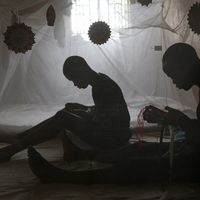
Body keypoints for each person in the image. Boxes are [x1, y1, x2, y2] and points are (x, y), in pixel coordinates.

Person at [27, 43, 200, 185]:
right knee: (139, 149)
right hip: (188, 145)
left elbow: (108, 118)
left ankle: (63, 177)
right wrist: (169, 119)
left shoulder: (103, 84)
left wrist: (183, 122)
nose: (173, 81)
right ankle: (83, 154)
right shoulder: (99, 84)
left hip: (122, 137)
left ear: (186, 66)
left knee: (136, 166)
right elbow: (103, 111)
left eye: (173, 75)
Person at [0, 56, 131, 162]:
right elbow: (104, 110)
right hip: (114, 134)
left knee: (63, 117)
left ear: (81, 70)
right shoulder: (101, 81)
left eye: (74, 79)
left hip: (115, 138)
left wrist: (84, 115)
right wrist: (83, 108)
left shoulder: (103, 86)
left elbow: (112, 121)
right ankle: (20, 137)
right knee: (66, 113)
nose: (75, 84)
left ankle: (12, 149)